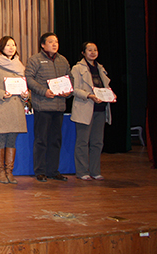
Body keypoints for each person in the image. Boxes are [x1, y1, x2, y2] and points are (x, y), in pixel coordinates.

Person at [25, 32, 72, 182]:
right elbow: (29, 79)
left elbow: (70, 79)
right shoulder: (35, 60)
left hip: (59, 107)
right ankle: (40, 171)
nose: (54, 44)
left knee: (55, 140)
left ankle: (53, 170)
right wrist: (43, 91)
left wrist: (68, 91)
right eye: (51, 42)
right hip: (43, 106)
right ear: (43, 45)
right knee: (41, 140)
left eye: (56, 42)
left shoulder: (63, 60)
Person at [0, 36, 29, 184]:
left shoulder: (20, 66)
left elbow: (24, 87)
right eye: (8, 45)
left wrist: (26, 94)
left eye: (13, 45)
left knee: (12, 141)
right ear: (2, 47)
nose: (11, 48)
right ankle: (0, 172)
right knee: (0, 140)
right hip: (2, 108)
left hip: (16, 109)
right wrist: (1, 93)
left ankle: (9, 171)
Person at [71, 42, 115, 181]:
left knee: (97, 142)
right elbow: (74, 89)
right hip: (85, 108)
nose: (93, 52)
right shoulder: (77, 68)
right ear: (83, 53)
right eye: (89, 50)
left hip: (100, 109)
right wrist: (89, 95)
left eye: (95, 50)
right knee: (82, 142)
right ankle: (82, 171)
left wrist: (110, 95)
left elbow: (105, 87)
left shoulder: (100, 68)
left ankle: (95, 171)